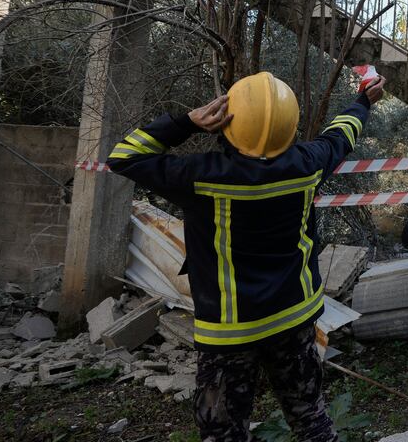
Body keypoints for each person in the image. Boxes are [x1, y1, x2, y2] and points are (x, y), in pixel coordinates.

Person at [108, 70, 386, 442]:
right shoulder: (308, 164)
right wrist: (364, 100)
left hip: (230, 332)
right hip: (294, 319)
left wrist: (185, 122)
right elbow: (341, 134)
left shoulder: (201, 176)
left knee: (224, 432)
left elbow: (124, 157)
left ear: (227, 123)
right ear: (290, 126)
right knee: (310, 419)